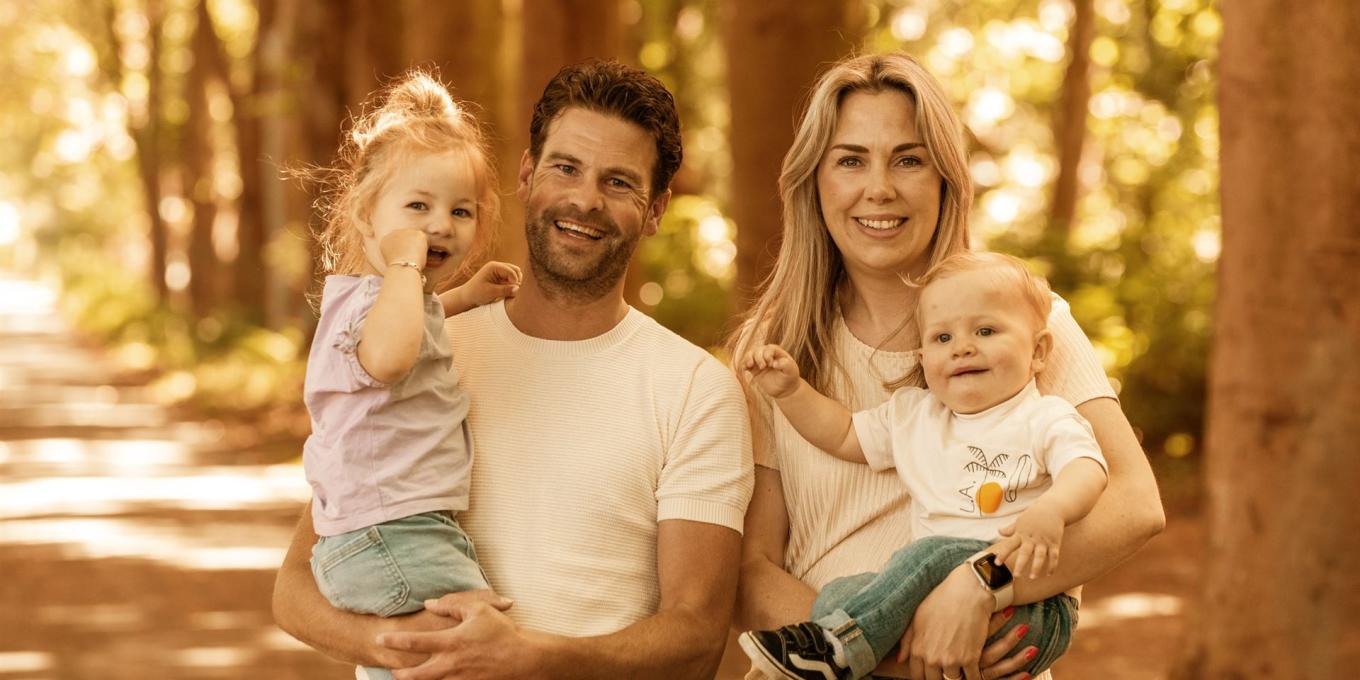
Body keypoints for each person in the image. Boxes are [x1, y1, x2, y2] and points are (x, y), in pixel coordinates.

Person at [273, 60, 754, 680]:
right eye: (566, 167)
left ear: (657, 208)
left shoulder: (697, 392)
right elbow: (294, 588)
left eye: (619, 182)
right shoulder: (421, 343)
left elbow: (696, 638)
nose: (585, 199)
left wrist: (527, 659)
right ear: (526, 175)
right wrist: (400, 647)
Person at [728, 52, 1165, 680]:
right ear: (814, 181)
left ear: (944, 179)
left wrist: (982, 584)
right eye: (851, 160)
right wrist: (888, 652)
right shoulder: (773, 351)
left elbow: (1134, 505)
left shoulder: (1021, 323)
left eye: (908, 159)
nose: (879, 188)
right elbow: (750, 572)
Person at [737, 252, 1108, 680]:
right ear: (922, 356)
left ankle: (836, 652)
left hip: (1028, 599)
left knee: (933, 554)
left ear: (1039, 350)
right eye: (942, 338)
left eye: (986, 331)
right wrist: (791, 391)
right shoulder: (916, 417)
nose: (963, 347)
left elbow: (1088, 467)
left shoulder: (1045, 417)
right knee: (838, 597)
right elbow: (842, 434)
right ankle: (845, 645)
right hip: (935, 600)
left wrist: (1053, 510)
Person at [297, 71, 522, 680]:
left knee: (409, 664)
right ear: (366, 218)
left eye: (460, 210)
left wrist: (465, 296)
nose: (440, 225)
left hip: (386, 534)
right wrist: (403, 263)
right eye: (417, 207)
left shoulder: (396, 301)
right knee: (477, 643)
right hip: (394, 532)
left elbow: (413, 327)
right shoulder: (377, 300)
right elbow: (392, 354)